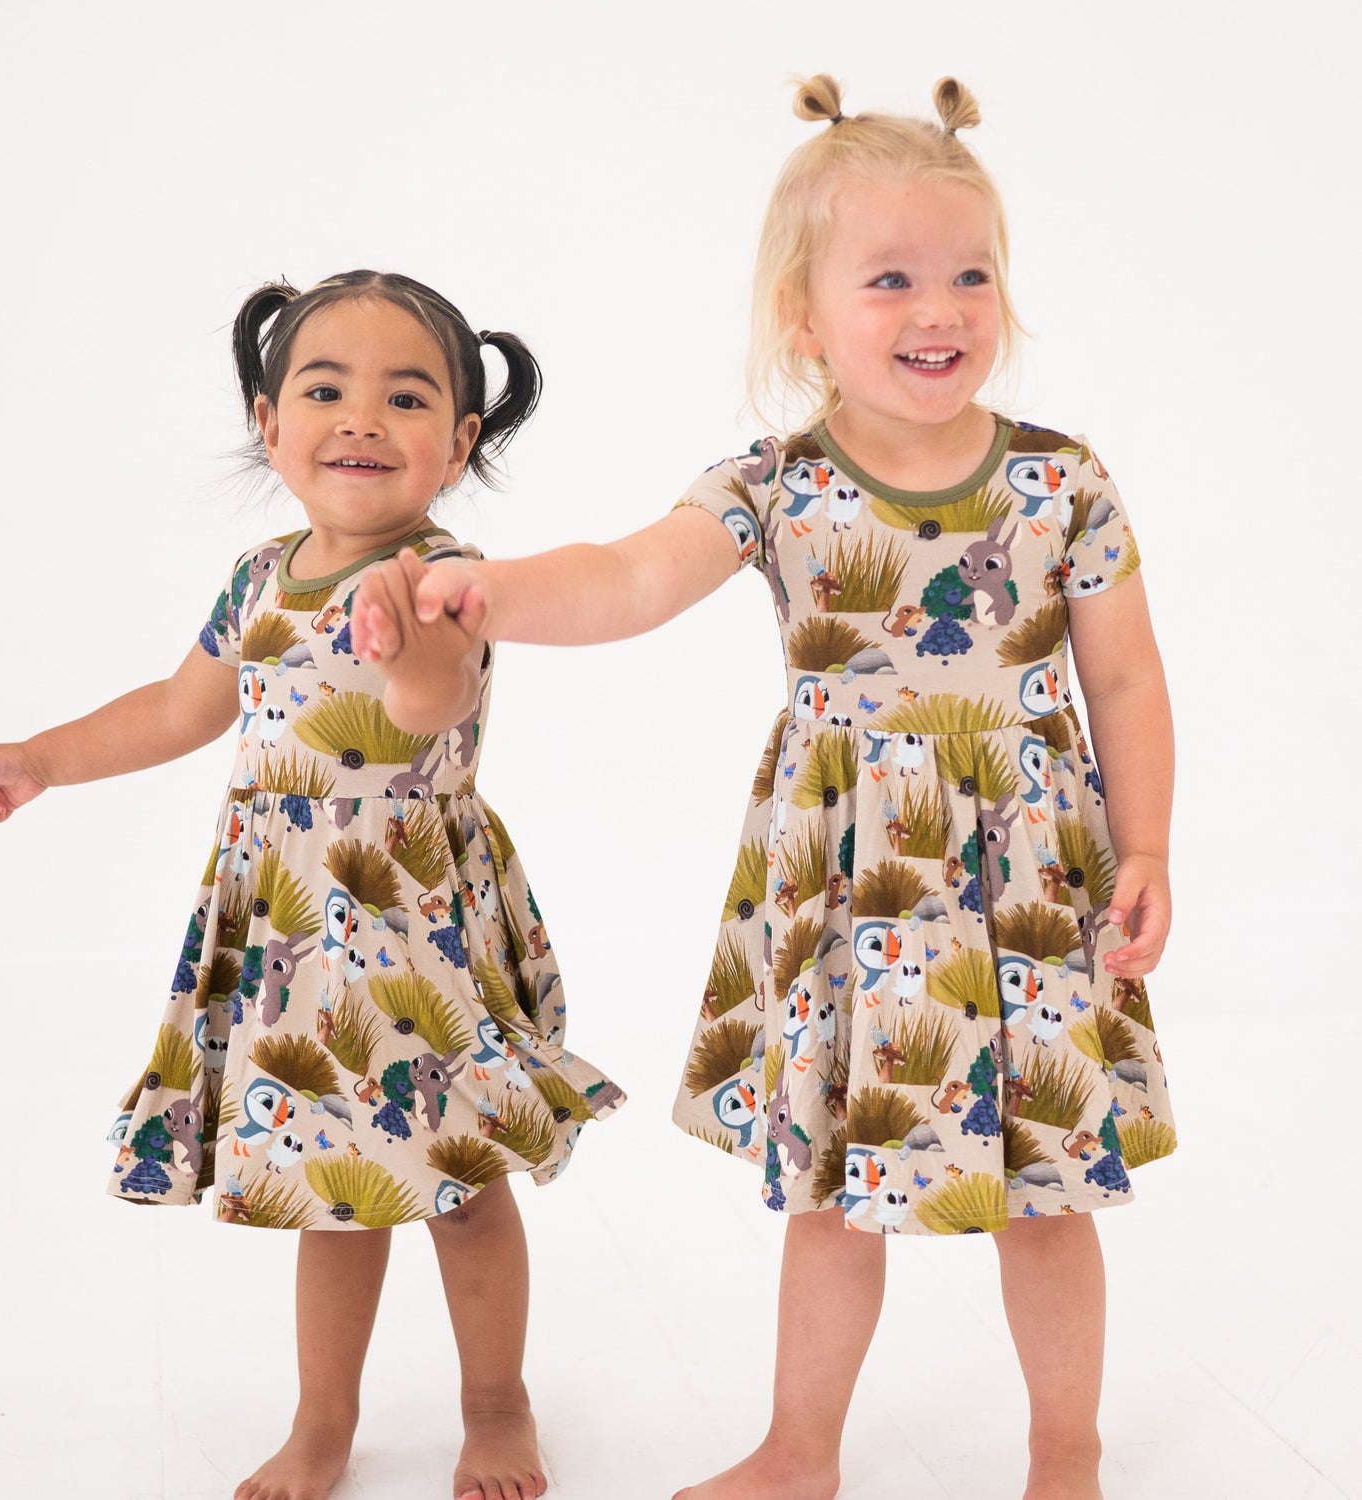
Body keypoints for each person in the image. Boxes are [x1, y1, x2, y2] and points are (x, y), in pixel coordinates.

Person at [351, 78, 1176, 1500]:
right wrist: (482, 588)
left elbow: (1127, 684)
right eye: (894, 278)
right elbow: (624, 577)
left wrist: (1148, 842)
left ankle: (1068, 1452)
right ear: (807, 316)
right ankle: (802, 1449)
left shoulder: (1063, 486)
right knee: (833, 1201)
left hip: (1028, 894)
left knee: (1047, 1195)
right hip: (856, 887)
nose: (943, 308)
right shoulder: (779, 485)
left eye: (971, 274)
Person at [0, 269, 625, 1500]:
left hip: (414, 921)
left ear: (457, 442)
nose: (361, 418)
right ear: (270, 422)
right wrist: (37, 757)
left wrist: (401, 642)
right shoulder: (258, 578)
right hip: (294, 928)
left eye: (405, 397)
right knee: (332, 1194)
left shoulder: (443, 578)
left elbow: (435, 702)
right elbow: (179, 708)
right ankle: (323, 1424)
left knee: (460, 1188)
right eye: (326, 388)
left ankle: (496, 1400)